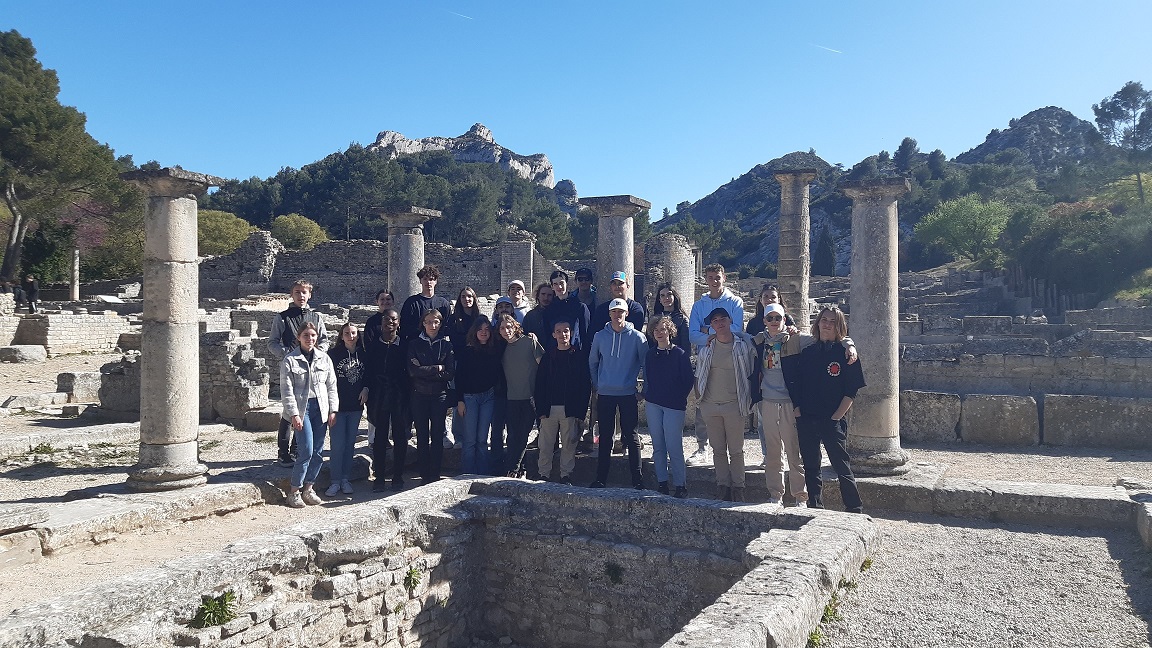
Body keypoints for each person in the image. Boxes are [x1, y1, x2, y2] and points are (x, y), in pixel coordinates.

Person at [752, 303, 857, 504]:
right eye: (770, 318)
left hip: (790, 402)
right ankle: (775, 495)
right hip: (767, 401)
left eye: (778, 318)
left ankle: (801, 496)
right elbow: (735, 338)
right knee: (772, 453)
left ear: (785, 320)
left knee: (794, 452)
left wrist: (850, 345)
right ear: (764, 321)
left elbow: (832, 337)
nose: (774, 321)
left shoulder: (797, 339)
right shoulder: (758, 341)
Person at [787, 306, 866, 513]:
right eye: (824, 320)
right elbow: (796, 384)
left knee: (841, 466)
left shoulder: (846, 354)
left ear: (839, 326)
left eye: (832, 321)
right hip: (807, 417)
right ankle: (815, 506)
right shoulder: (807, 353)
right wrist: (797, 411)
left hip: (832, 419)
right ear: (818, 323)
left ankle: (854, 507)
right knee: (812, 467)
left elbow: (852, 390)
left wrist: (836, 417)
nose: (827, 324)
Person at [695, 307, 756, 502]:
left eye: (723, 319)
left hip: (734, 404)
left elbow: (754, 343)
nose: (719, 323)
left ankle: (739, 488)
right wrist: (699, 399)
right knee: (718, 449)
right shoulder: (707, 349)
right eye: (715, 321)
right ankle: (723, 486)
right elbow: (700, 375)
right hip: (710, 404)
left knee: (736, 450)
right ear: (711, 326)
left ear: (730, 321)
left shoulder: (742, 346)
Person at [686, 263, 744, 466]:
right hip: (706, 360)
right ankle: (702, 447)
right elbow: (692, 335)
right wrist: (719, 334)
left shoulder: (735, 302)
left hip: (730, 359)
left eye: (717, 277)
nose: (714, 281)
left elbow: (737, 330)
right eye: (710, 277)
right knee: (703, 400)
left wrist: (707, 331)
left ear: (724, 277)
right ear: (706, 279)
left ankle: (732, 452)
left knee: (732, 403)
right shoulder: (699, 305)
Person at [588, 298, 648, 489]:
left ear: (626, 314)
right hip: (606, 393)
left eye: (620, 312)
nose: (617, 315)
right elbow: (593, 362)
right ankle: (601, 478)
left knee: (632, 436)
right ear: (609, 314)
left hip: (628, 393)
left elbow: (647, 365)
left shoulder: (638, 337)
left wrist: (643, 390)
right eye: (614, 312)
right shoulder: (600, 336)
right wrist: (598, 384)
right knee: (605, 437)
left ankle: (637, 480)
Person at [268, 280, 329, 466]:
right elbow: (272, 343)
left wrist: (319, 354)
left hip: (313, 369)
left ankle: (297, 449)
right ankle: (283, 452)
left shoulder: (316, 317)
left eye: (304, 292)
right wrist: (286, 353)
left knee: (306, 409)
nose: (301, 296)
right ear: (291, 294)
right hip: (292, 369)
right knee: (289, 412)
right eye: (297, 292)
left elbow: (325, 341)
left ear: (310, 295)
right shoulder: (282, 318)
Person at [281, 322, 339, 508]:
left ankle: (309, 488)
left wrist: (333, 409)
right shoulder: (290, 360)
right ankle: (294, 491)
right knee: (305, 450)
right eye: (306, 335)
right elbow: (286, 390)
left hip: (320, 408)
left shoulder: (324, 358)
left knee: (318, 452)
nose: (310, 339)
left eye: (313, 335)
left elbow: (331, 385)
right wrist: (294, 414)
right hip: (302, 408)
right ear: (299, 337)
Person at [643, 316, 694, 498]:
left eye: (662, 329)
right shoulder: (650, 354)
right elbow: (648, 376)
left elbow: (688, 380)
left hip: (673, 405)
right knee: (658, 446)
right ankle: (662, 482)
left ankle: (680, 484)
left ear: (670, 331)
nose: (659, 333)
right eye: (656, 330)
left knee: (674, 446)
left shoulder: (679, 354)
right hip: (654, 404)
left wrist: (678, 398)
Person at [534, 320, 591, 484]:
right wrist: (540, 410)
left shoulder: (579, 356)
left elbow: (584, 385)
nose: (562, 334)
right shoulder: (548, 356)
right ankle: (543, 473)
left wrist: (580, 411)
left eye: (566, 331)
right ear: (554, 335)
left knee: (568, 445)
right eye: (558, 331)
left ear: (571, 333)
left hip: (570, 408)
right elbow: (540, 384)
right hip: (549, 407)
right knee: (545, 445)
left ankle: (565, 475)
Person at [363, 306, 409, 491]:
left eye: (394, 320)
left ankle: (398, 476)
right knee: (380, 437)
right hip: (379, 396)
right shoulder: (374, 346)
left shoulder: (404, 345)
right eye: (386, 320)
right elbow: (368, 370)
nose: (390, 322)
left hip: (400, 395)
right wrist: (367, 389)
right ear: (381, 323)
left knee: (400, 435)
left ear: (398, 323)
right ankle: (379, 477)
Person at [407, 309, 455, 485]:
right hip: (419, 394)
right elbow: (412, 372)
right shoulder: (414, 344)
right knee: (421, 435)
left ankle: (435, 474)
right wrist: (437, 368)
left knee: (437, 436)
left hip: (439, 396)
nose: (432, 325)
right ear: (423, 323)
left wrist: (424, 369)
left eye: (436, 322)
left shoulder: (447, 346)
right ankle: (424, 474)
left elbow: (449, 373)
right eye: (429, 321)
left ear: (440, 324)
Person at [497, 314, 544, 477]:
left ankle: (512, 469)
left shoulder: (529, 342)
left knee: (523, 435)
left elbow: (543, 366)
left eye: (509, 327)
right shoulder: (501, 348)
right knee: (512, 436)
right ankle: (520, 469)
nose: (506, 331)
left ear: (515, 326)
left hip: (529, 397)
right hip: (511, 398)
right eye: (502, 328)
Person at [455, 315, 502, 475]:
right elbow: (459, 377)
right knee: (469, 440)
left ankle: (483, 474)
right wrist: (459, 401)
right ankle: (467, 475)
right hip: (469, 398)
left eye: (487, 329)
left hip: (488, 397)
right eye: (480, 329)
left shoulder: (494, 350)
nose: (484, 332)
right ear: (474, 331)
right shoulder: (466, 351)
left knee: (482, 439)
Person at [326, 322, 367, 497]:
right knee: (337, 445)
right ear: (341, 336)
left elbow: (370, 375)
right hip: (337, 407)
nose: (351, 336)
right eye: (347, 333)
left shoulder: (364, 354)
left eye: (354, 333)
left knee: (350, 444)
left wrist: (366, 388)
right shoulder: (333, 355)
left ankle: (345, 479)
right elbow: (327, 380)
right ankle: (335, 481)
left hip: (356, 406)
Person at [363, 289, 395, 451]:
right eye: (382, 299)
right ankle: (373, 439)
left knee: (389, 407)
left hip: (392, 372)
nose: (385, 302)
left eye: (388, 299)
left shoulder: (395, 320)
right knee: (374, 406)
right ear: (377, 302)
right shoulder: (371, 322)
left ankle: (386, 438)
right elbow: (368, 345)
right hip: (376, 370)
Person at [399, 265, 451, 341]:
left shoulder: (443, 304)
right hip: (416, 345)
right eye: (425, 279)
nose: (428, 282)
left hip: (437, 345)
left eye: (431, 279)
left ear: (436, 281)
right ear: (420, 280)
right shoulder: (411, 302)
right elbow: (405, 327)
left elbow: (447, 326)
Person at [544, 270, 590, 350]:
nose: (559, 287)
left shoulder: (580, 307)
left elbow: (585, 334)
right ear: (552, 287)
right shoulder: (549, 310)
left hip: (576, 353)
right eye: (555, 284)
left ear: (567, 284)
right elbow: (547, 333)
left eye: (561, 283)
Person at [651, 283, 690, 350]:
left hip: (676, 357)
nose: (666, 298)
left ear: (674, 297)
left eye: (669, 294)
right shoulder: (654, 319)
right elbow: (650, 342)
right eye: (662, 295)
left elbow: (686, 346)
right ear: (659, 300)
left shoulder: (682, 319)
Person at [447, 286, 479, 350]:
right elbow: (454, 339)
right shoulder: (453, 319)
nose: (466, 299)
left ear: (474, 299)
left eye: (469, 296)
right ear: (460, 300)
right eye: (463, 297)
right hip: (460, 354)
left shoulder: (480, 318)